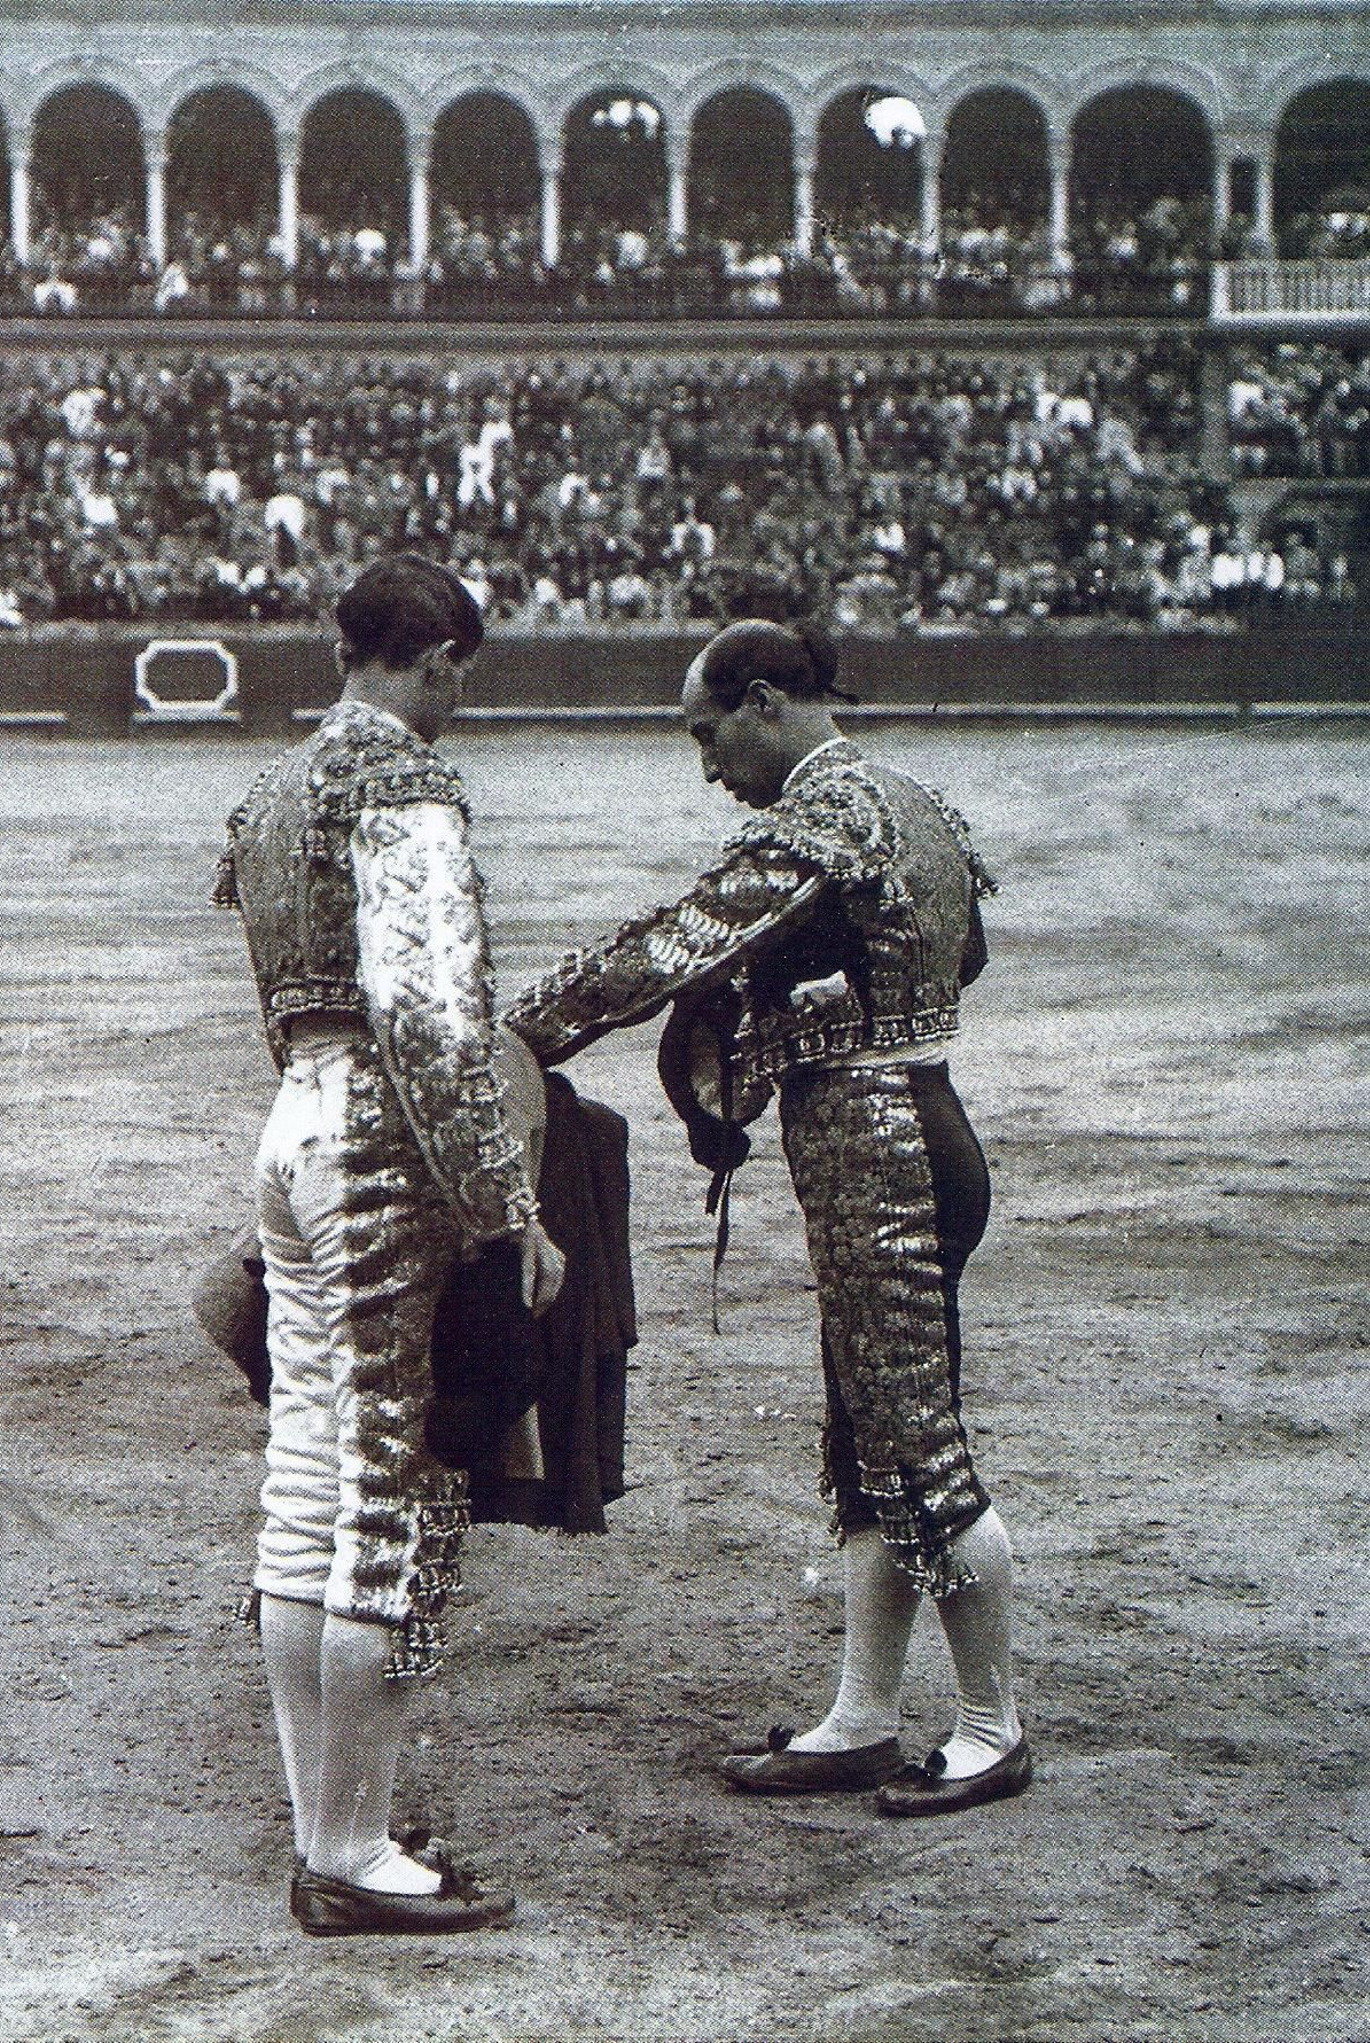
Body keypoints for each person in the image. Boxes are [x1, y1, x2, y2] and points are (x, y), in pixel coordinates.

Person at [506, 618, 1028, 1819]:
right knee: (866, 1436)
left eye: (706, 736)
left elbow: (665, 949)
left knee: (911, 1439)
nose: (706, 769)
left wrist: (520, 1031)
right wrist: (832, 1000)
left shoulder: (820, 818)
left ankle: (993, 1727)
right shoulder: (912, 800)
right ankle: (862, 1715)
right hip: (917, 1124)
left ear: (759, 703)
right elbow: (970, 952)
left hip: (886, 1152)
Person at [213, 555, 565, 1934]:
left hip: (291, 1123)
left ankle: (330, 1832)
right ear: (428, 658)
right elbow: (427, 1017)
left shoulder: (277, 787)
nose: (460, 695)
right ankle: (352, 1854)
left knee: (308, 1484)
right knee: (373, 1496)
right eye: (459, 667)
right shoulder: (400, 783)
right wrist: (504, 1201)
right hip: (377, 1138)